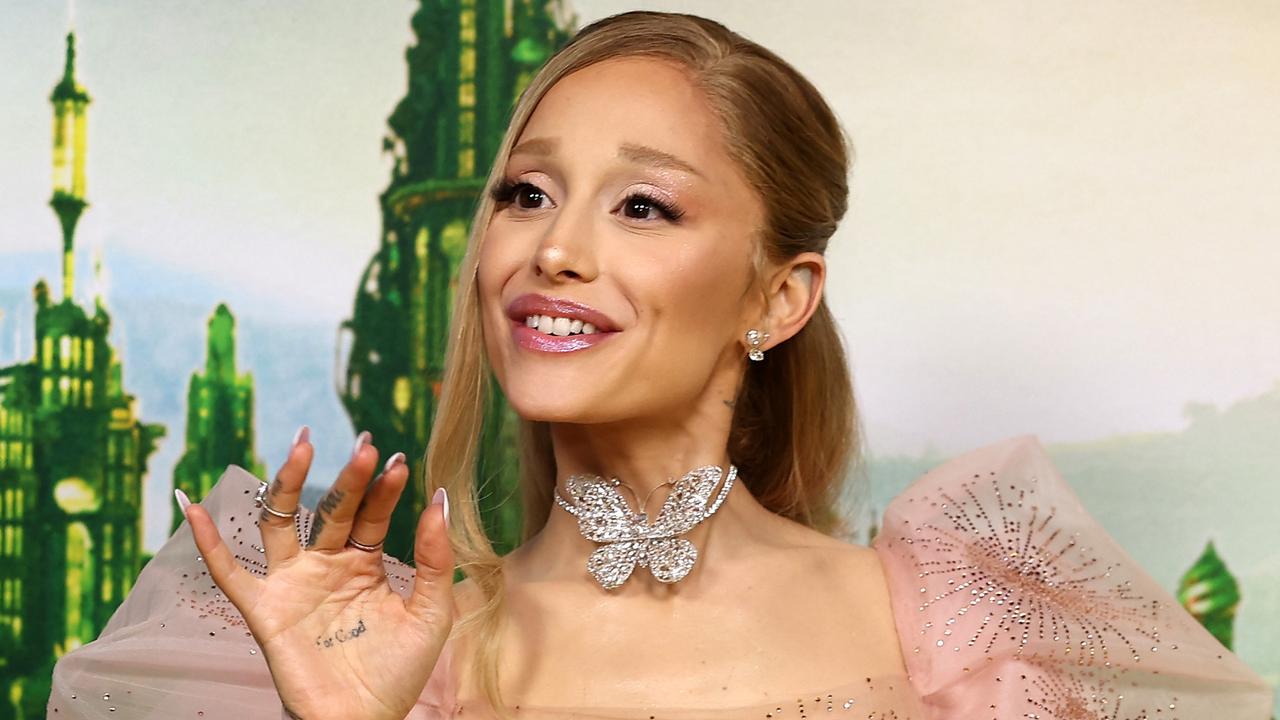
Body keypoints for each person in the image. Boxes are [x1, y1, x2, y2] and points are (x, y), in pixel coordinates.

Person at [48, 10, 1274, 720]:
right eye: (526, 193)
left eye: (642, 206)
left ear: (778, 296)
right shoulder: (392, 658)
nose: (554, 250)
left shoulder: (965, 631)